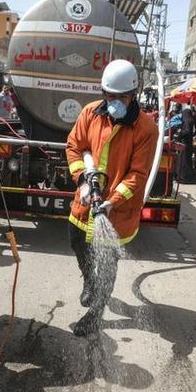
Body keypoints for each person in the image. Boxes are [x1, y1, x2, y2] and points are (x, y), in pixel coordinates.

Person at [66, 59, 157, 337]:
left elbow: (138, 175)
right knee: (76, 243)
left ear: (134, 94)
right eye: (109, 95)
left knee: (106, 263)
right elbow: (74, 146)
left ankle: (96, 314)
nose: (114, 101)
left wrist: (112, 201)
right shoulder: (91, 113)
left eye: (122, 97)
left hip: (116, 212)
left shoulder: (145, 128)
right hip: (84, 203)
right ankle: (89, 282)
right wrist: (82, 179)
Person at [174, 105, 196, 184]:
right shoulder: (190, 120)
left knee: (184, 161)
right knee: (186, 161)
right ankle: (184, 177)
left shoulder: (187, 121)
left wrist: (180, 134)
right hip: (188, 143)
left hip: (185, 143)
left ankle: (184, 177)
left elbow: (187, 131)